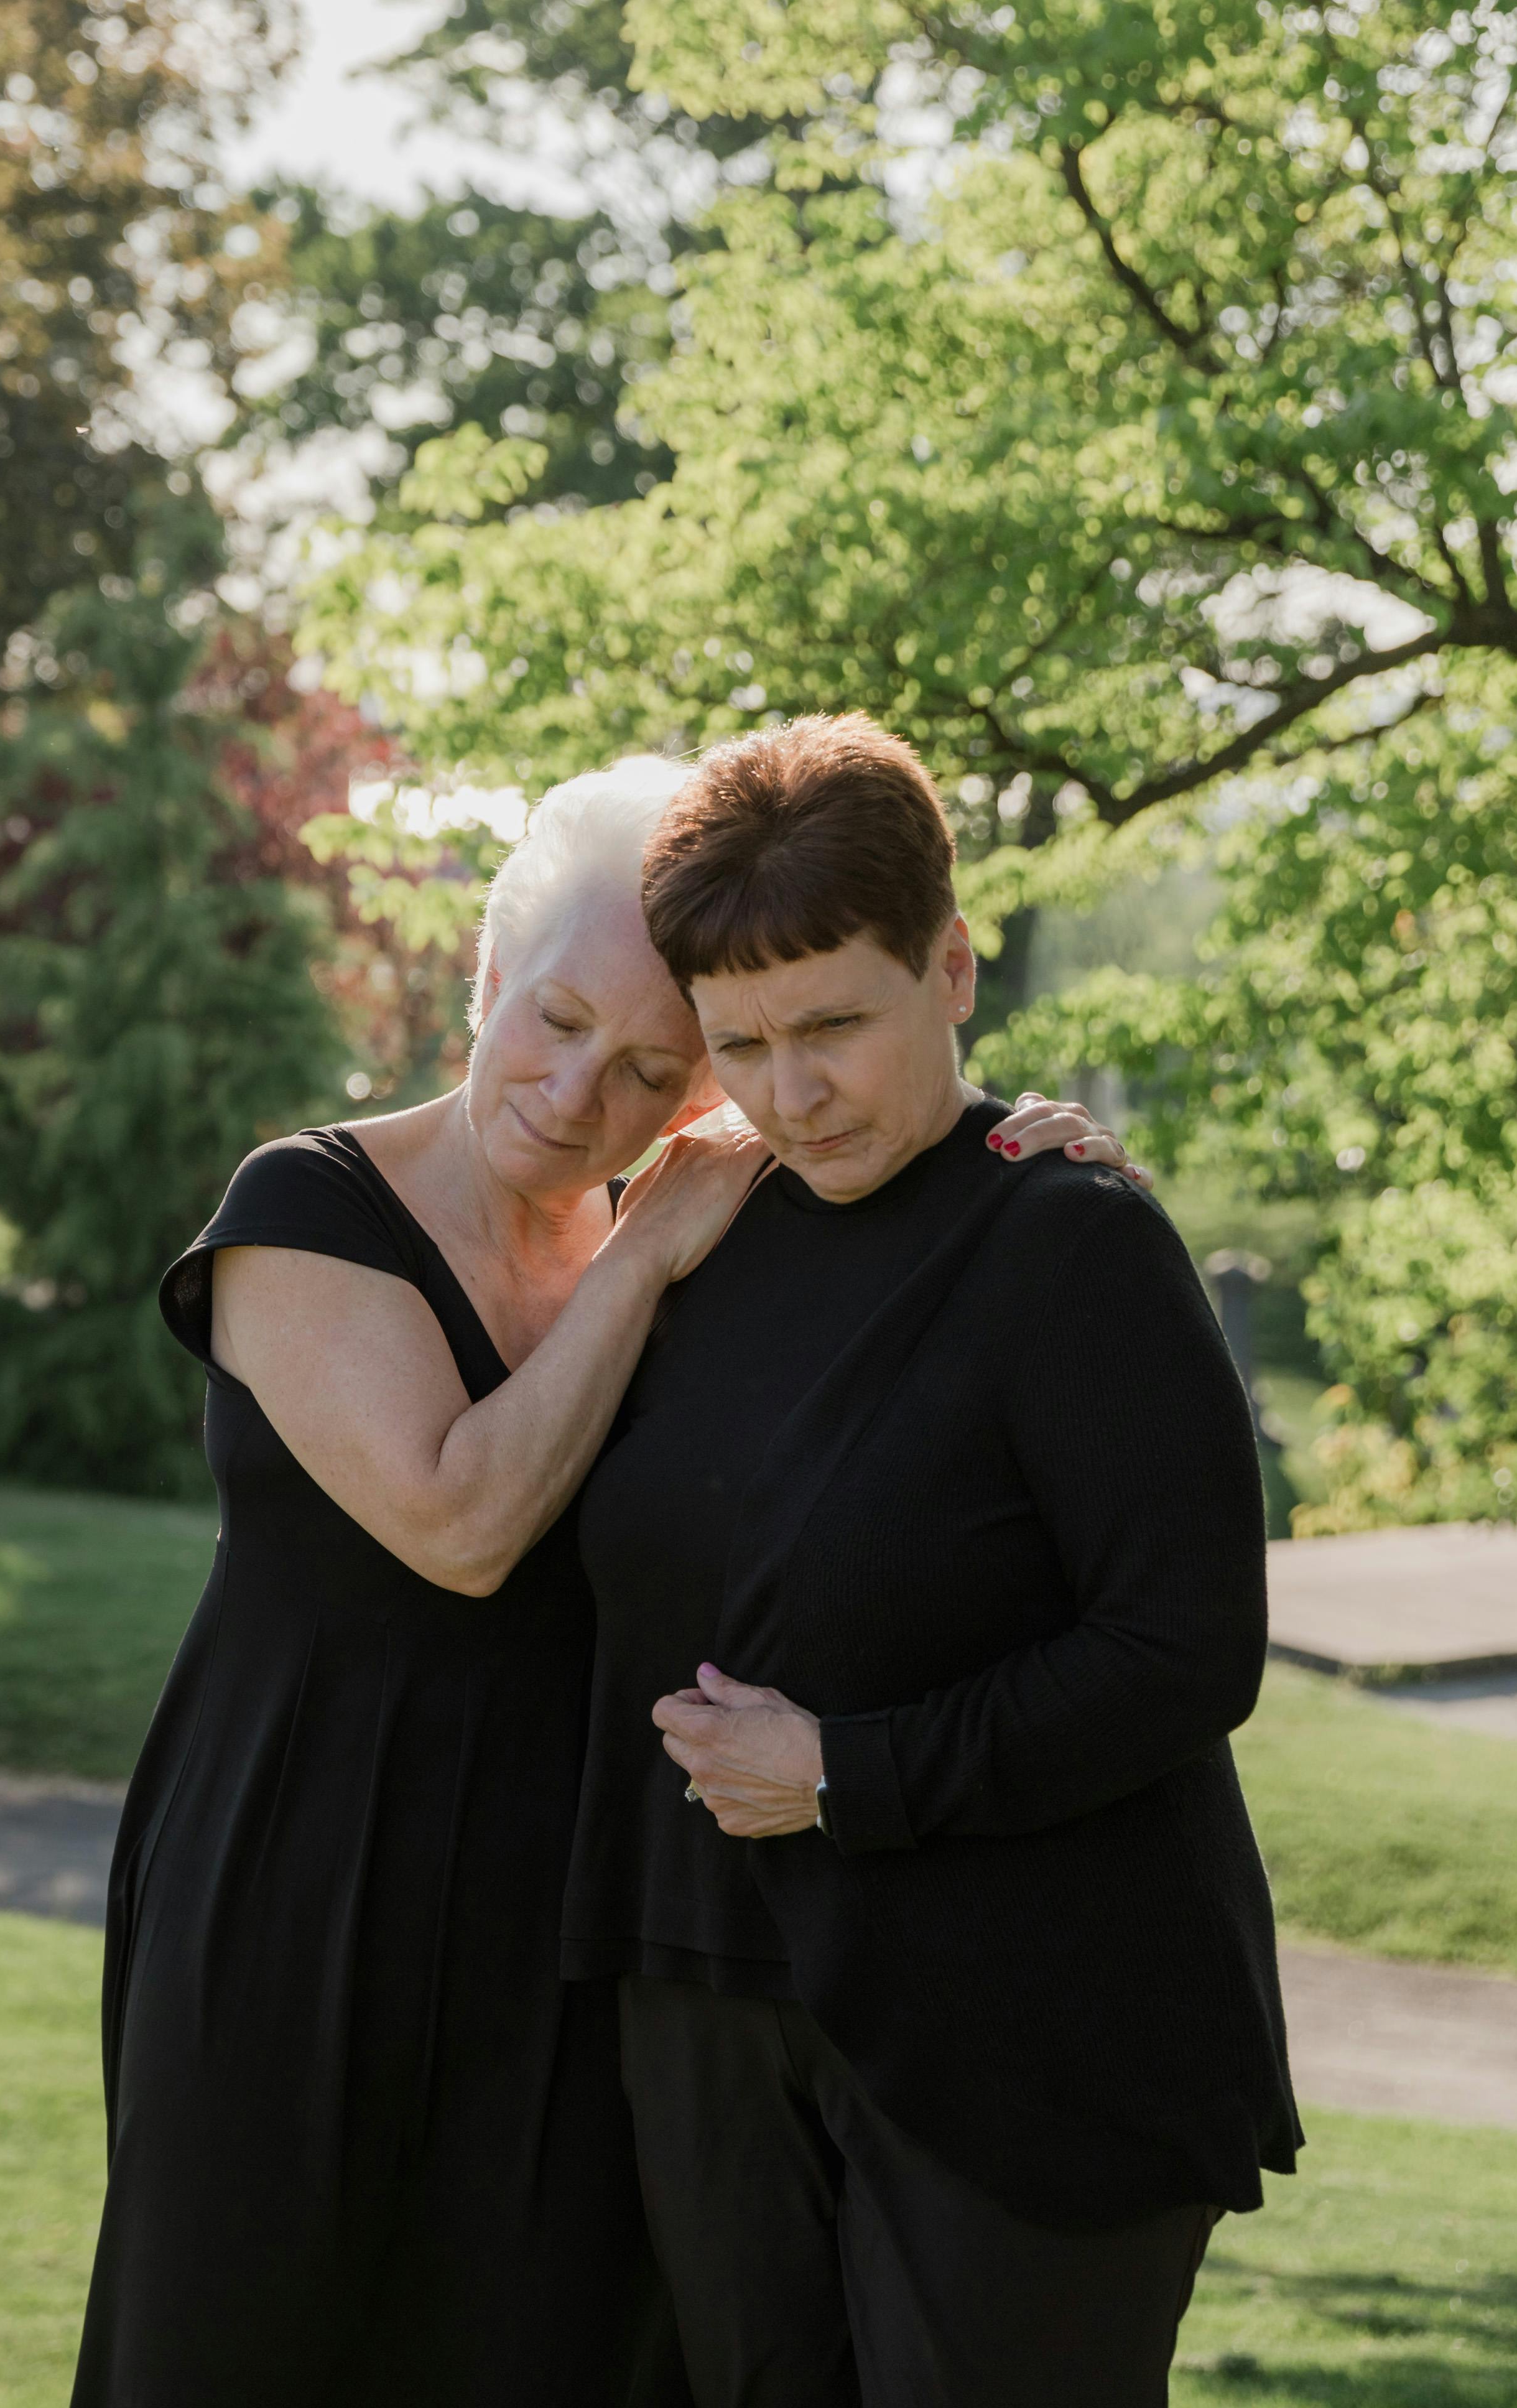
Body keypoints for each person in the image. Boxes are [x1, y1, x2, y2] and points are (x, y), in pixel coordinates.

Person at [72, 760, 1131, 2407]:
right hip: (296, 1888)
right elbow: (460, 1521)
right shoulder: (303, 1211)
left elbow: (886, 1171)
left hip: (567, 1919)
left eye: (653, 1070)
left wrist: (1021, 1153)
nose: (581, 1095)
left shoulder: (705, 1235)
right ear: (486, 976)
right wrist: (643, 1252)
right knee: (244, 2346)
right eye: (555, 1021)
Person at [562, 715, 1300, 2407]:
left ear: (953, 968)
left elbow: (1188, 1651)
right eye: (739, 1042)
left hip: (1029, 2027)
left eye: (835, 1024)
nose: (792, 1089)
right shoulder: (689, 1227)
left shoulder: (1071, 1237)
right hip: (704, 1993)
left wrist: (844, 1770)